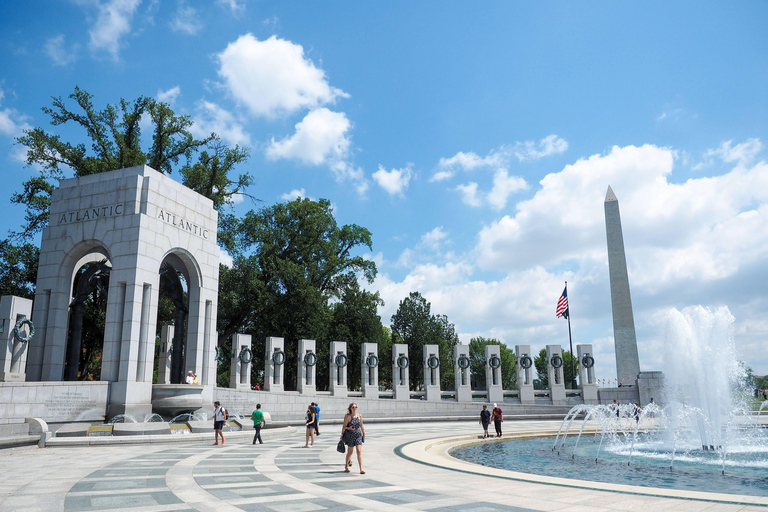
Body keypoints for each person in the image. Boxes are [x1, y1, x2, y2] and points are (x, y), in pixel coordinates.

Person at [341, 402, 366, 474]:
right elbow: (344, 426)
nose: (355, 409)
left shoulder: (359, 416)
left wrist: (363, 432)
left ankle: (361, 469)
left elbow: (361, 425)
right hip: (350, 435)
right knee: (350, 452)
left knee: (359, 451)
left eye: (356, 407)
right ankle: (346, 466)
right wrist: (348, 428)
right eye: (353, 407)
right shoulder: (348, 416)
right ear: (350, 408)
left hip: (358, 435)